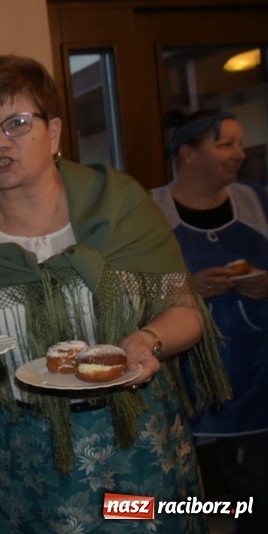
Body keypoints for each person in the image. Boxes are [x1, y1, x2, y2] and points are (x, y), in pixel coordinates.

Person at [0, 54, 231, 533]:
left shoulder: (121, 203)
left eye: (17, 123)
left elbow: (185, 310)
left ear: (53, 134)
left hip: (135, 444)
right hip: (20, 462)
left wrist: (147, 341)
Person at [151, 108, 268, 534]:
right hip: (186, 382)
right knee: (195, 502)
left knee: (256, 500)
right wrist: (187, 289)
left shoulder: (258, 202)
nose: (239, 153)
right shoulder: (150, 211)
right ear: (187, 153)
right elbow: (125, 290)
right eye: (225, 144)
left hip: (258, 379)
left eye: (239, 143)